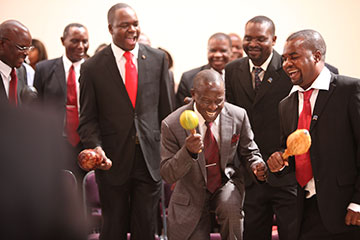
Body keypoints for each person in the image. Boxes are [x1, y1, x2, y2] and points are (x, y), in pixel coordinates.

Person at [77, 3, 173, 240]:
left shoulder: (157, 59)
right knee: (113, 229)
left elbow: (166, 113)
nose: (132, 30)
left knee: (145, 229)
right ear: (110, 28)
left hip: (149, 162)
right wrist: (96, 147)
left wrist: (167, 154)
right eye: (124, 25)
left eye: (135, 24)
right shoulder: (92, 67)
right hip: (111, 161)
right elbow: (87, 120)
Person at [267, 29, 360, 239]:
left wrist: (358, 202)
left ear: (317, 56)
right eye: (284, 59)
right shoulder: (285, 105)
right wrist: (279, 162)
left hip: (348, 212)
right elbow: (290, 151)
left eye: (294, 57)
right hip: (304, 211)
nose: (286, 64)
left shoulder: (350, 89)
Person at [161, 69, 267, 240]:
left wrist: (256, 164)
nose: (212, 107)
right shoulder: (171, 124)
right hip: (190, 190)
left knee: (231, 209)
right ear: (194, 94)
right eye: (205, 101)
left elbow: (250, 151)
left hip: (225, 183)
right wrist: (187, 152)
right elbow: (167, 173)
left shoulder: (238, 115)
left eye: (219, 101)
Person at [225, 16, 297, 240]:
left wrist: (283, 158)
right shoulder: (232, 69)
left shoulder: (288, 69)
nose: (252, 44)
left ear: (274, 39)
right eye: (248, 38)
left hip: (285, 171)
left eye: (260, 39)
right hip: (250, 175)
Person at [33, 23, 89, 180]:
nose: (81, 46)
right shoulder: (43, 69)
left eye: (85, 41)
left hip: (86, 142)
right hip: (55, 141)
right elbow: (38, 107)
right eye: (75, 41)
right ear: (63, 40)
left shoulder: (94, 69)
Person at [176, 32, 232, 108]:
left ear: (231, 52)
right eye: (213, 50)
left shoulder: (239, 76)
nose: (217, 55)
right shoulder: (188, 78)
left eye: (223, 51)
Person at [0, 20, 34, 107]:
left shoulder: (22, 71)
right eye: (22, 47)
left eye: (28, 48)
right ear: (2, 44)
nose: (26, 53)